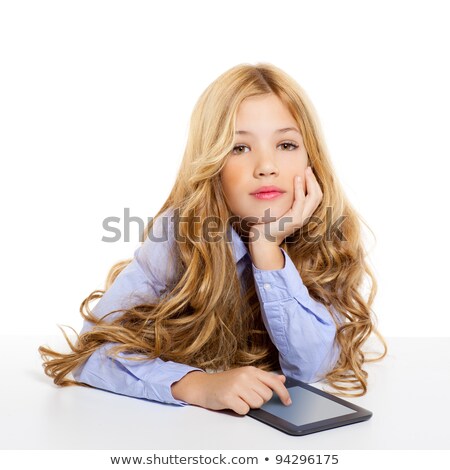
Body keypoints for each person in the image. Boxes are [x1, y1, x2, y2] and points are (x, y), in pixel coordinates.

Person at [39, 62, 387, 416]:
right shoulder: (179, 238)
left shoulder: (328, 236)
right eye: (239, 148)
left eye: (285, 144)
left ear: (311, 160)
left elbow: (311, 367)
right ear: (212, 166)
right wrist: (195, 385)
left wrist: (267, 249)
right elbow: (92, 351)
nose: (266, 166)